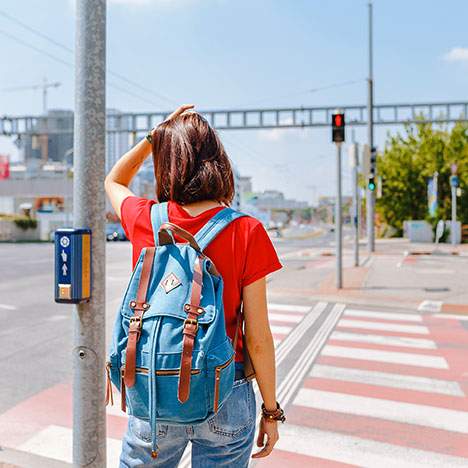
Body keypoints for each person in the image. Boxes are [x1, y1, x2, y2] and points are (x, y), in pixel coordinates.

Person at [105, 104, 284, 467]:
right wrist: (271, 410)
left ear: (167, 161)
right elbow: (259, 337)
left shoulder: (146, 219)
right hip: (225, 392)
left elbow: (113, 181)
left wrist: (152, 139)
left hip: (155, 391)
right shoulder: (246, 230)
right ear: (218, 161)